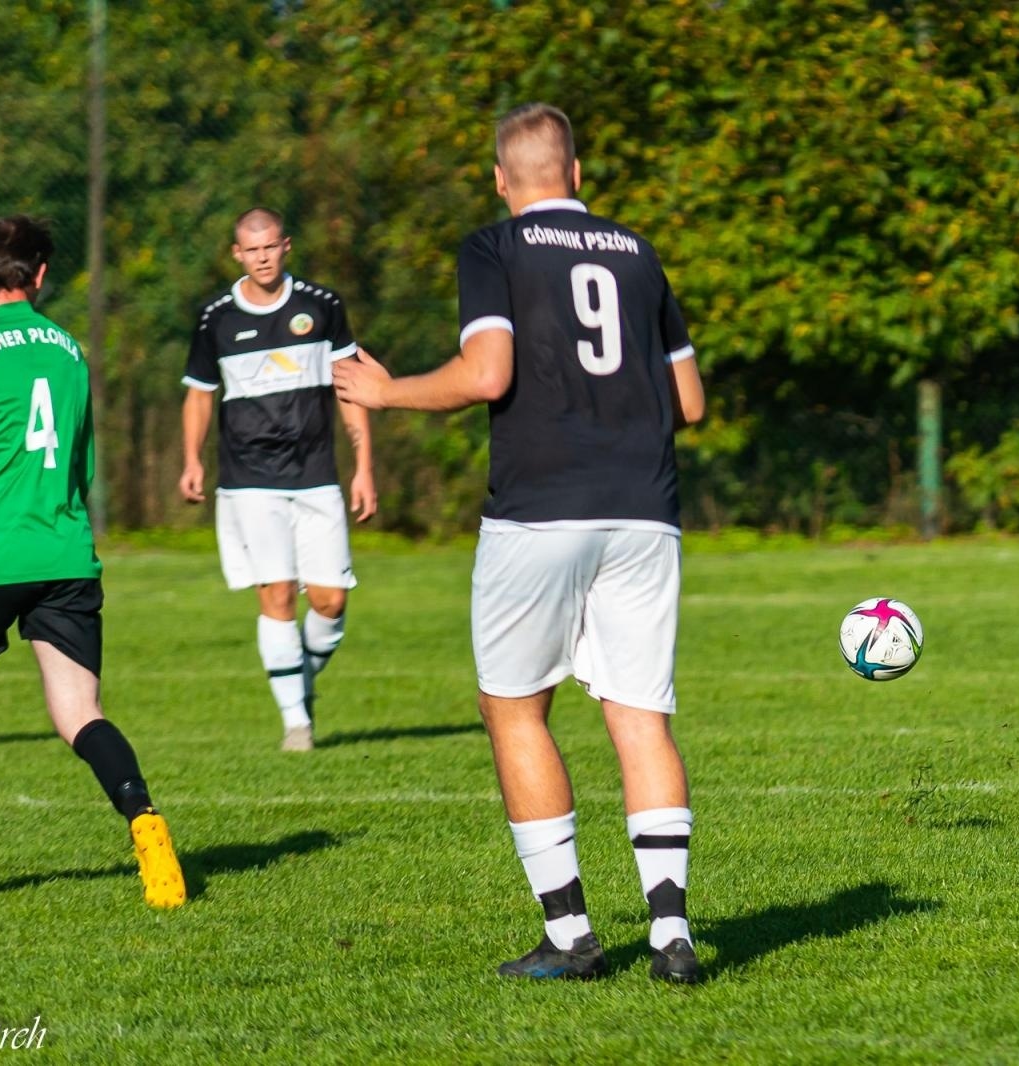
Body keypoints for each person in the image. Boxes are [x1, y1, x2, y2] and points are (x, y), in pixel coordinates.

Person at [334, 103, 707, 982]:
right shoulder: (640, 252)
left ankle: (573, 936)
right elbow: (689, 402)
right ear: (577, 175)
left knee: (514, 707)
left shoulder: (493, 248)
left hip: (540, 508)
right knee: (640, 718)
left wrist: (385, 397)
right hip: (645, 508)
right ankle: (671, 936)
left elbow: (487, 374)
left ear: (503, 182)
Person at [0, 216, 185, 908]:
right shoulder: (71, 350)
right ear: (41, 275)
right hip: (63, 549)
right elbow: (79, 463)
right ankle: (145, 821)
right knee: (80, 709)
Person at [179, 208, 377, 752]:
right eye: (252, 249)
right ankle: (297, 723)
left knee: (332, 601)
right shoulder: (215, 318)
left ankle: (299, 680)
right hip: (249, 480)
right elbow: (199, 392)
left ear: (285, 246)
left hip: (316, 475)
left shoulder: (323, 305)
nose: (262, 257)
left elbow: (351, 384)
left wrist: (363, 465)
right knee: (278, 593)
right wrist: (192, 460)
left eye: (271, 247)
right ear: (237, 254)